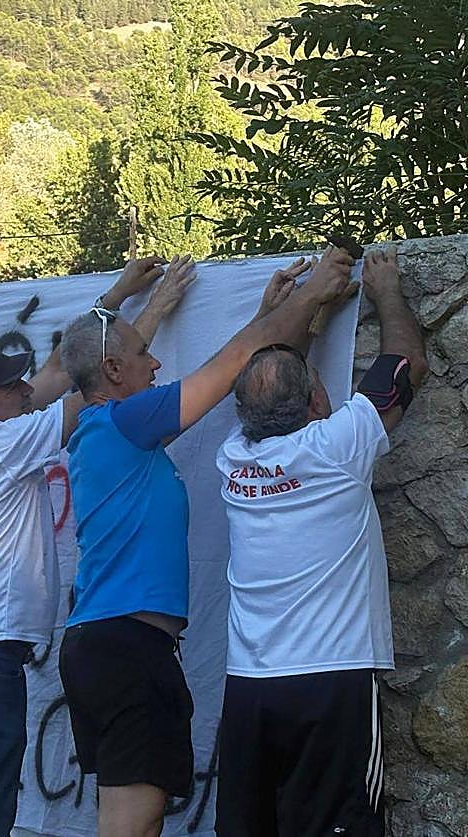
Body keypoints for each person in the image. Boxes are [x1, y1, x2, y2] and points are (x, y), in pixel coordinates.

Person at [55, 247, 357, 837]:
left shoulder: (102, 433)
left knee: (129, 821)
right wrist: (313, 291)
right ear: (113, 373)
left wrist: (273, 313)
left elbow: (240, 359)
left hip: (107, 645)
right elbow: (234, 364)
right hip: (126, 648)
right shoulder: (128, 421)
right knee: (132, 826)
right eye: (143, 354)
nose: (156, 361)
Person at [0, 254, 196, 837]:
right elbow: (91, 382)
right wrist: (158, 306)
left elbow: (55, 374)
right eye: (11, 386)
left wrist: (117, 293)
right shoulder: (3, 444)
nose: (26, 388)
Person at [214, 246, 428, 837]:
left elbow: (267, 388)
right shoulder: (336, 448)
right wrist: (383, 286)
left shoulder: (233, 458)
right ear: (316, 403)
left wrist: (287, 314)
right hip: (331, 683)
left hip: (251, 686)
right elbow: (407, 362)